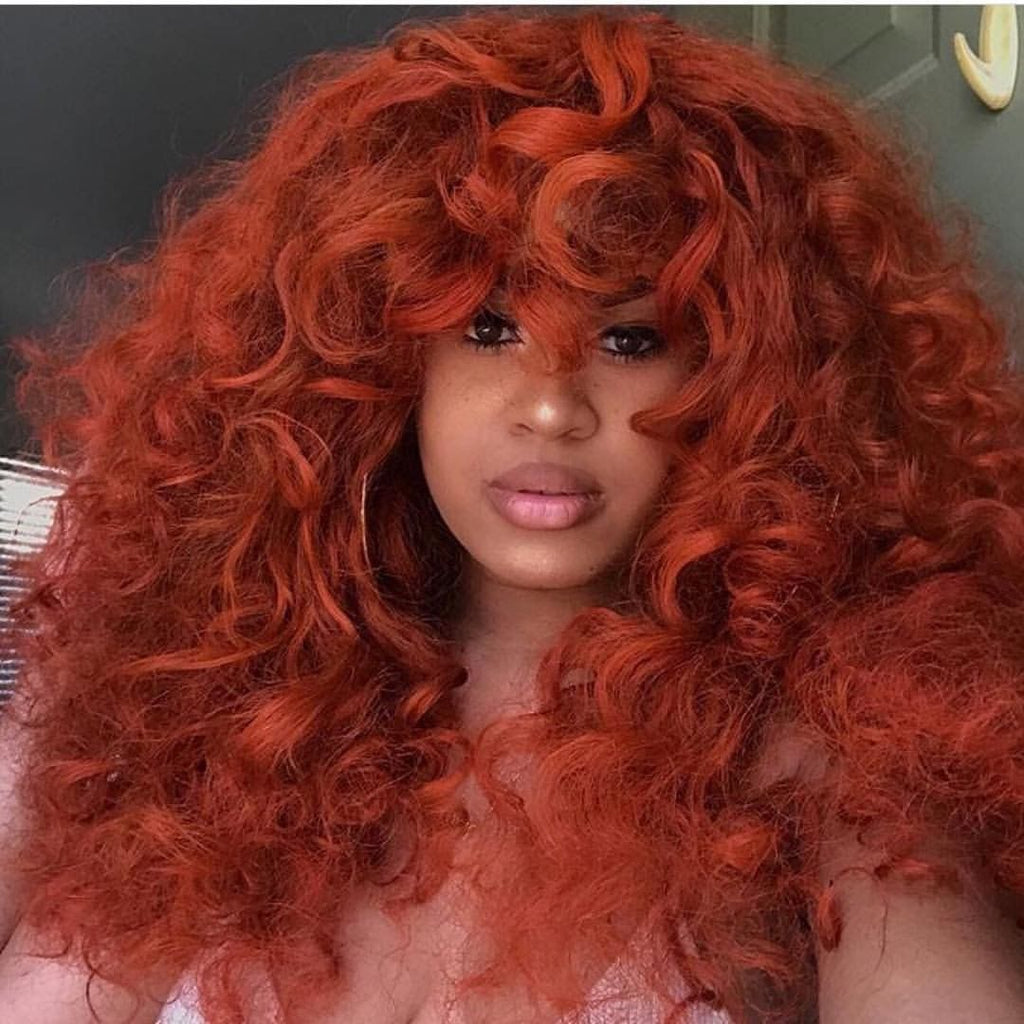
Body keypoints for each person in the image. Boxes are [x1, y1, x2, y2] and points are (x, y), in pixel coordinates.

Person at [1, 8, 1023, 1023]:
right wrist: (88, 653)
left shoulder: (827, 757)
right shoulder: (207, 692)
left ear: (750, 383)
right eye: (489, 328)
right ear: (374, 352)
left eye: (629, 340)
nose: (549, 406)